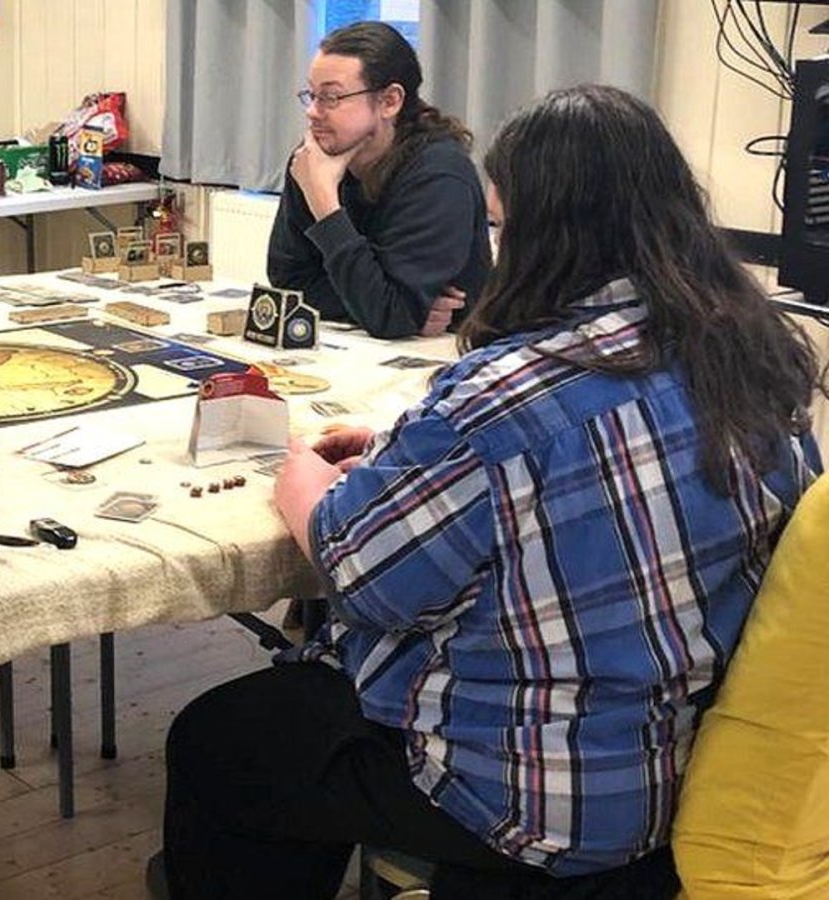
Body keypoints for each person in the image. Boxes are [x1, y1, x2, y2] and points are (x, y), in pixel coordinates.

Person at [160, 85, 825, 899]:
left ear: (543, 236)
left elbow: (365, 579)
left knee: (222, 738)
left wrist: (304, 486)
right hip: (690, 759)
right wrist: (418, 458)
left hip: (536, 799)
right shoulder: (754, 355)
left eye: (502, 226)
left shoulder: (501, 397)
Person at [267, 22, 489, 339]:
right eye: (312, 95)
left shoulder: (439, 176)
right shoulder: (312, 161)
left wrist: (326, 207)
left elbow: (390, 315)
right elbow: (288, 281)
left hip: (445, 351)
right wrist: (385, 307)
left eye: (331, 97)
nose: (313, 112)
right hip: (370, 344)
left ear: (389, 101)